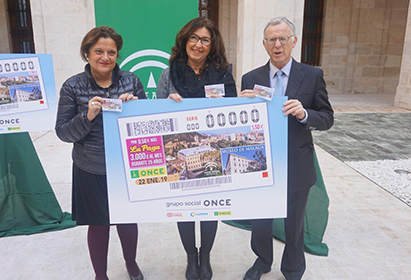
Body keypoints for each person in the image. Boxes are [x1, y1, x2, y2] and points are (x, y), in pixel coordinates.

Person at [239, 17, 334, 280]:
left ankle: (293, 268)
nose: (277, 44)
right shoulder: (251, 78)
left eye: (282, 38)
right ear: (264, 44)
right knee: (260, 218)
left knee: (294, 222)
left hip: (296, 160)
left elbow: (327, 117)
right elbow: (243, 126)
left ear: (294, 41)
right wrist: (241, 105)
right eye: (271, 39)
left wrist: (305, 114)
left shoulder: (313, 75)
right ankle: (262, 261)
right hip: (260, 162)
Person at [55, 26, 147, 280]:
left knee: (127, 221)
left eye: (111, 52)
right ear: (87, 53)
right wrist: (87, 116)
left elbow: (147, 126)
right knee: (98, 225)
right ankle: (101, 275)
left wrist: (136, 109)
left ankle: (131, 263)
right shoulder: (72, 86)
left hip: (125, 166)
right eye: (98, 51)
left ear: (117, 55)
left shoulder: (131, 81)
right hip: (90, 167)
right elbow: (63, 133)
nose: (105, 57)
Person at [156, 17, 237, 280]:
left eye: (205, 40)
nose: (198, 44)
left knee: (211, 208)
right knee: (185, 207)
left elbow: (232, 112)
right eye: (194, 38)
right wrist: (166, 104)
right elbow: (155, 116)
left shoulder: (223, 74)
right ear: (184, 39)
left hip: (210, 151)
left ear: (212, 45)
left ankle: (206, 256)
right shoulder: (169, 74)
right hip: (185, 151)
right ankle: (191, 256)